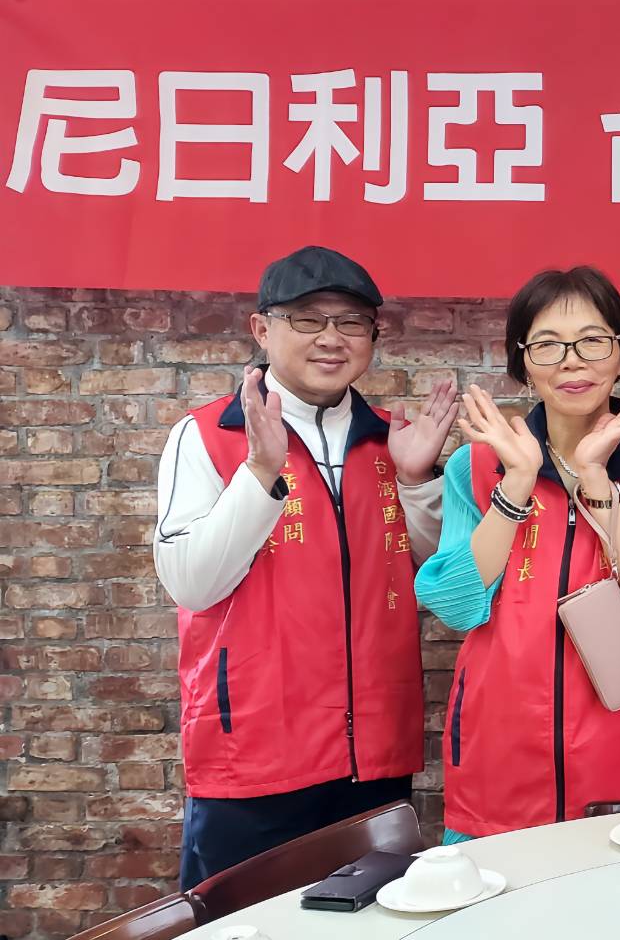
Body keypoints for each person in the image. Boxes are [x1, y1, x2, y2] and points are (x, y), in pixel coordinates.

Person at [154, 246, 457, 889]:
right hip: (254, 755)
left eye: (350, 322)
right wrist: (260, 472)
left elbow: (431, 576)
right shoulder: (207, 435)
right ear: (262, 330)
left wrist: (417, 480)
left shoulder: (391, 440)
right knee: (245, 926)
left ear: (374, 335)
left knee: (373, 922)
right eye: (307, 319)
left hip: (374, 755)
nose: (330, 338)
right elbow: (191, 583)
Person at [415, 267, 620, 839]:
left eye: (593, 341)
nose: (572, 362)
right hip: (501, 744)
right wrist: (516, 484)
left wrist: (595, 480)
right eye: (547, 344)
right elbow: (455, 604)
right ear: (523, 363)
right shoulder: (479, 464)